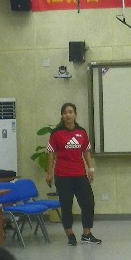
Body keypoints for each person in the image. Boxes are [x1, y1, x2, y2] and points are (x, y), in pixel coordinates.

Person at [45, 103, 99, 245]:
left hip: (80, 175)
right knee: (66, 206)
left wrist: (91, 168)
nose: (68, 115)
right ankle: (70, 235)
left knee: (88, 203)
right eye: (65, 112)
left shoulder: (82, 132)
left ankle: (87, 234)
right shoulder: (56, 133)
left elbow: (86, 151)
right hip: (63, 176)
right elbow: (51, 153)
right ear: (62, 115)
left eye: (70, 112)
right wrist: (49, 172)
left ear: (75, 114)